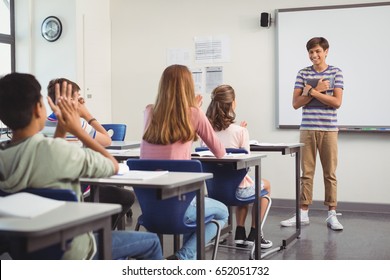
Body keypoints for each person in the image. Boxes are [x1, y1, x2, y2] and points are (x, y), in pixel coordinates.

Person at [0, 72, 162, 260]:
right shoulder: (61, 152)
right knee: (152, 243)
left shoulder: (5, 157)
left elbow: (48, 155)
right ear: (38, 108)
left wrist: (62, 130)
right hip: (73, 251)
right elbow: (113, 165)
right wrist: (77, 129)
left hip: (27, 252)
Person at [140, 64, 229, 260]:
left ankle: (181, 260)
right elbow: (220, 152)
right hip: (180, 207)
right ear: (188, 86)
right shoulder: (194, 113)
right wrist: (196, 110)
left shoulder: (149, 111)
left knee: (198, 207)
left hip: (148, 209)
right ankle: (182, 258)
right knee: (222, 213)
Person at [45, 78, 135, 229]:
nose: (82, 101)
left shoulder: (41, 124)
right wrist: (87, 115)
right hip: (79, 192)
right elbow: (107, 140)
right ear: (70, 100)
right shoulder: (79, 125)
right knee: (126, 196)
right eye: (79, 98)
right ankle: (103, 237)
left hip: (49, 194)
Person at [280, 37, 344, 231]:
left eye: (317, 51)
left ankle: (331, 214)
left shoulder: (336, 72)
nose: (314, 55)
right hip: (307, 128)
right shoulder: (303, 73)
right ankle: (303, 213)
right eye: (311, 52)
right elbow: (296, 103)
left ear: (326, 51)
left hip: (329, 129)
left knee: (330, 173)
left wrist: (312, 93)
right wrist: (317, 90)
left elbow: (337, 103)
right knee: (306, 173)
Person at [205, 84, 273, 249]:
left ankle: (240, 232)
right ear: (232, 103)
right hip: (237, 191)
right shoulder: (240, 131)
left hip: (215, 190)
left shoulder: (206, 130)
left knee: (243, 180)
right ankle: (255, 233)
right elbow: (246, 163)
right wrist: (242, 133)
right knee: (262, 184)